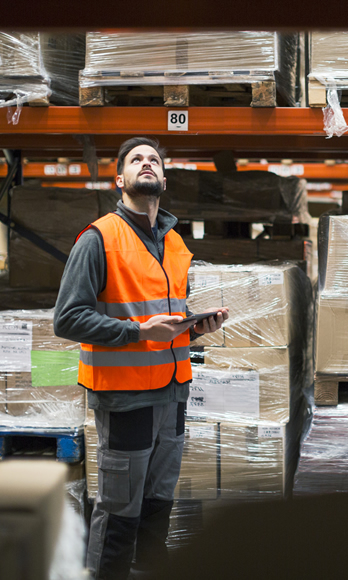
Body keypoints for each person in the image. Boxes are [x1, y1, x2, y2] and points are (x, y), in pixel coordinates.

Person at [54, 137, 228, 580]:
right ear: (120, 180)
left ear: (163, 179)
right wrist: (136, 332)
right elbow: (68, 319)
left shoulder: (174, 244)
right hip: (126, 398)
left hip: (173, 396)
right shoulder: (98, 239)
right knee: (119, 512)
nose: (146, 163)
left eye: (154, 159)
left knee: (158, 507)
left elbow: (167, 311)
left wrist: (196, 326)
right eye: (136, 159)